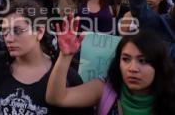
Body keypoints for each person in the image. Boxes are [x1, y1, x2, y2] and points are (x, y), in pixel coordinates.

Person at [46, 16, 175, 114]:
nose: (132, 68)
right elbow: (56, 98)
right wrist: (65, 56)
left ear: (158, 64)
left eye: (142, 61)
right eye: (126, 59)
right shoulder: (105, 89)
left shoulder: (170, 96)